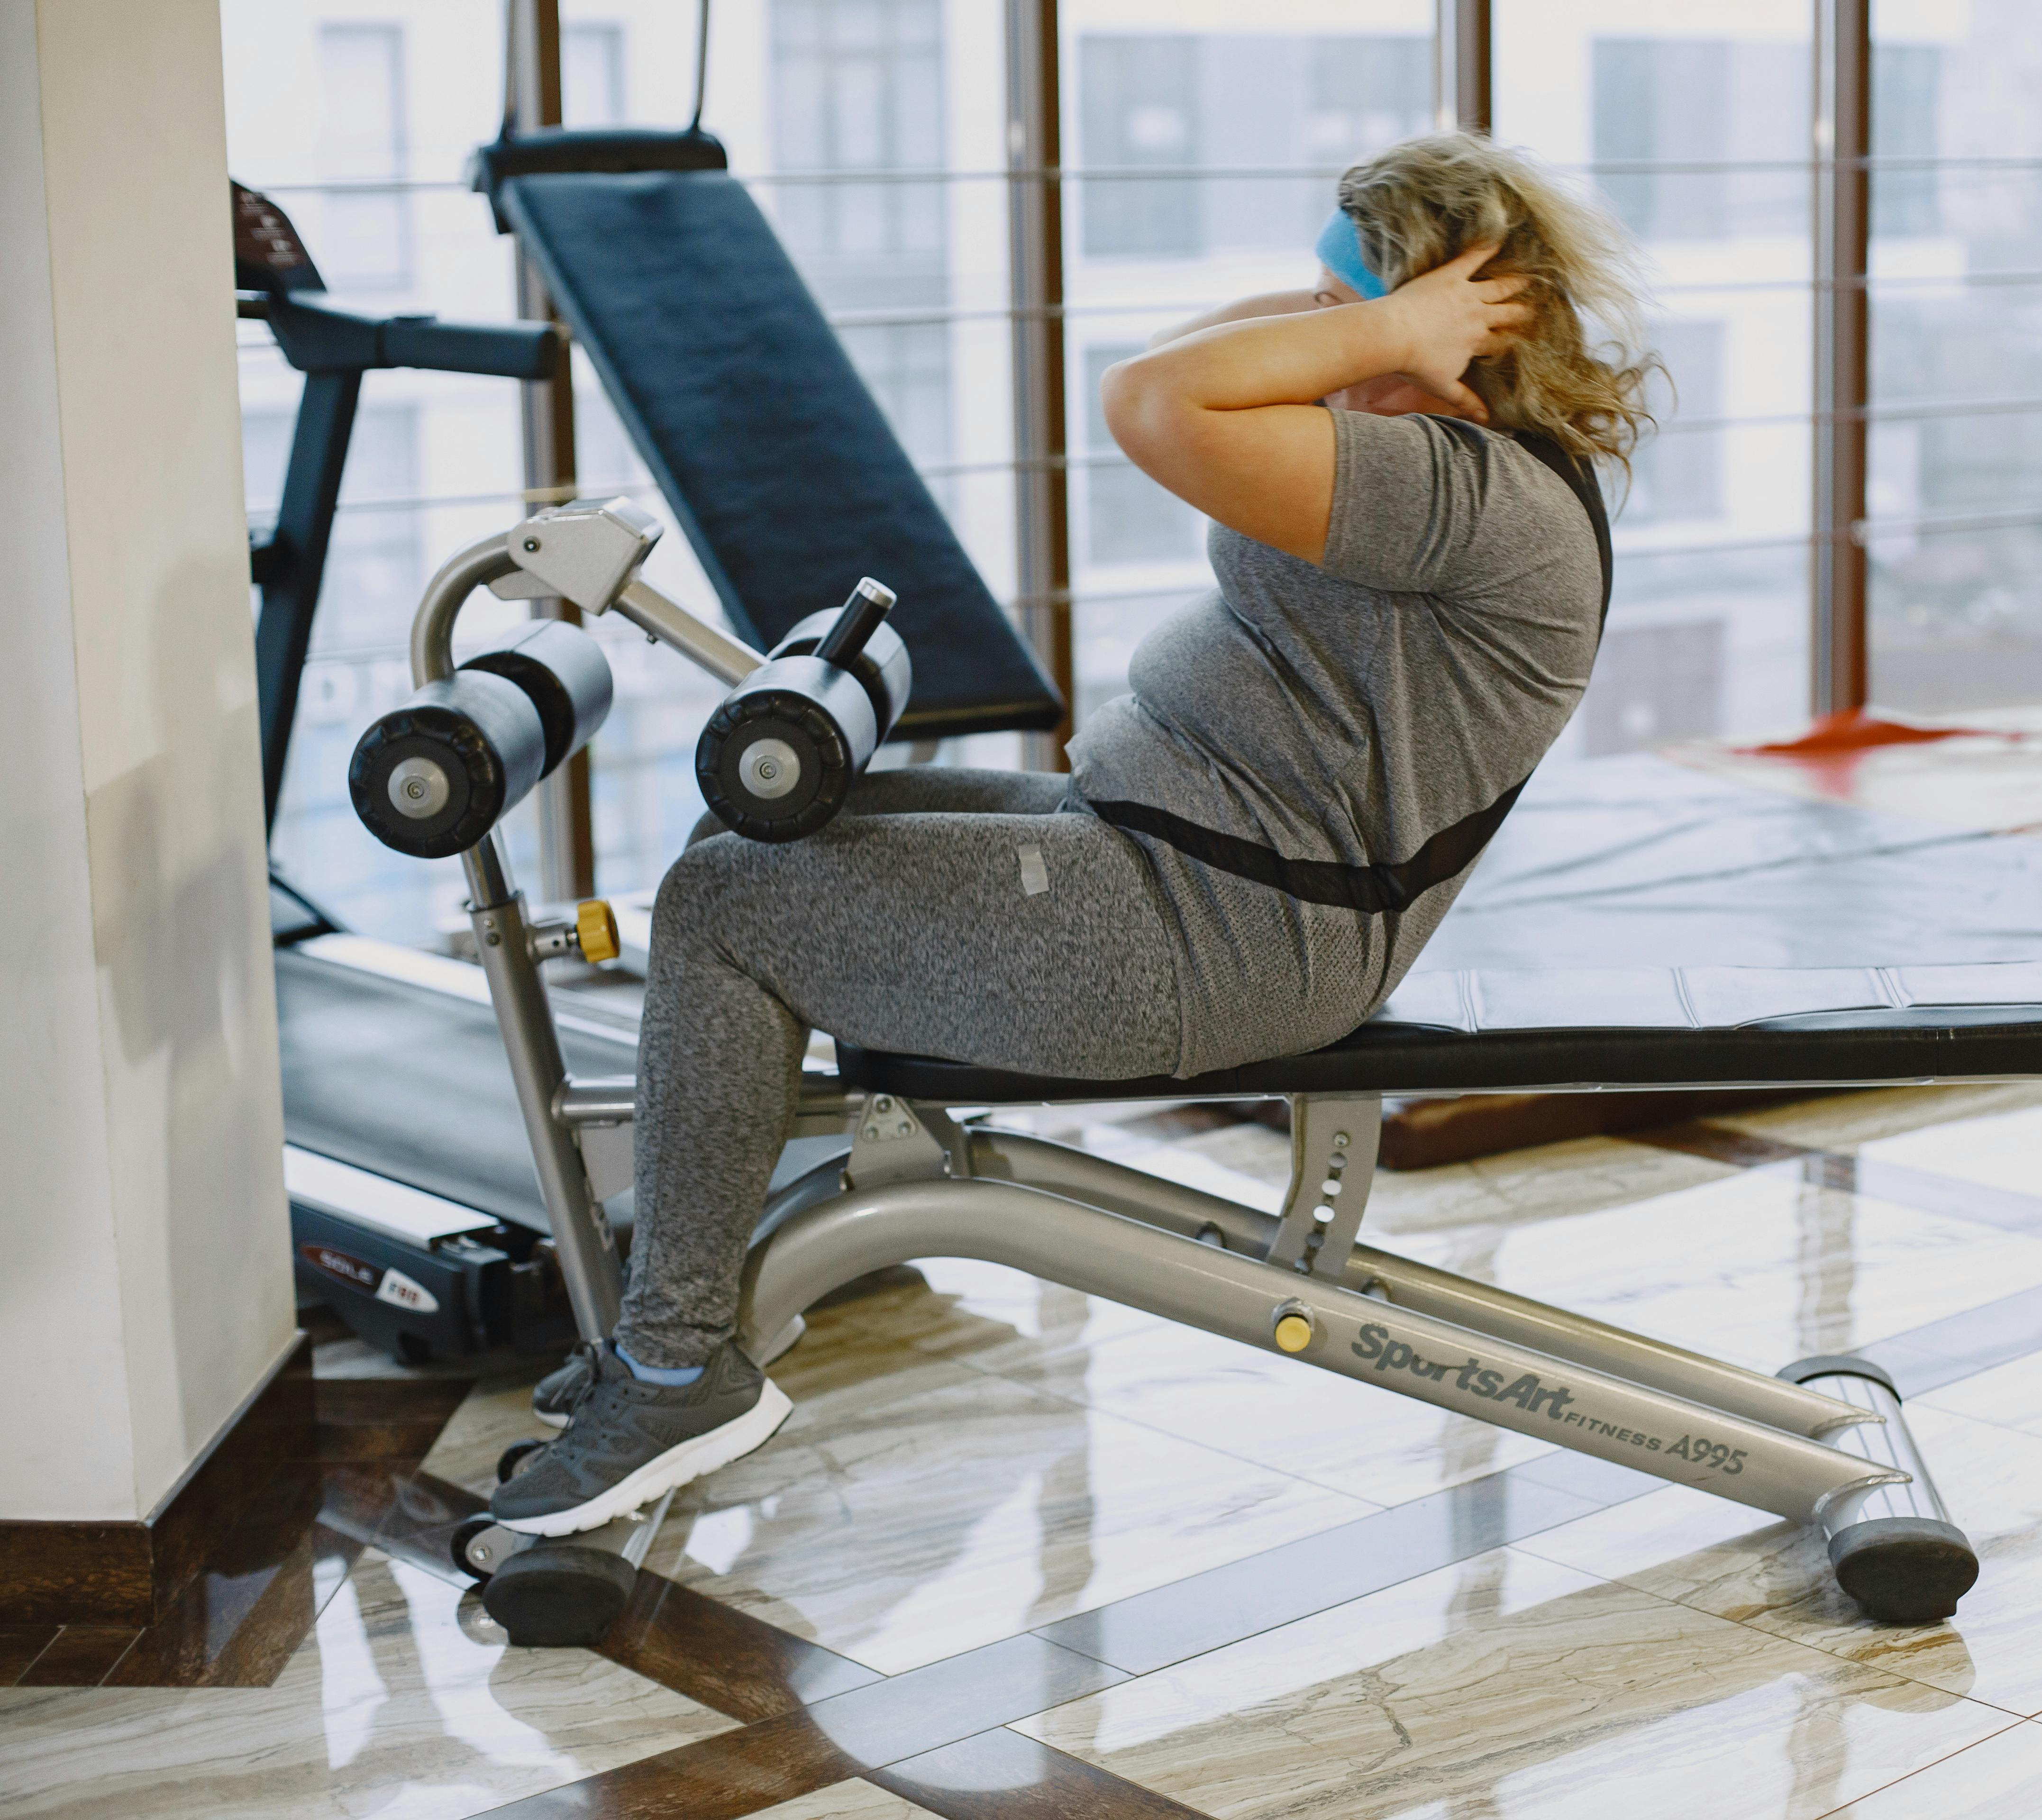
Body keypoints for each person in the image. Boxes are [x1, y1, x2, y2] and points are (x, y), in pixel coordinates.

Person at [490, 132, 1653, 1536]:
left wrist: (1392, 323)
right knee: (757, 839)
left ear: (1445, 323)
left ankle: (676, 1361)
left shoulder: (1456, 493)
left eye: (1353, 310)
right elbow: (1195, 360)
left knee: (730, 908)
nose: (1322, 337)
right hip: (1178, 853)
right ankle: (699, 1302)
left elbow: (1149, 399)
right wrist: (1371, 314)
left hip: (1217, 927)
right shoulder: (1446, 446)